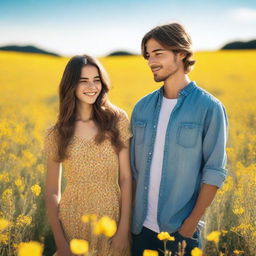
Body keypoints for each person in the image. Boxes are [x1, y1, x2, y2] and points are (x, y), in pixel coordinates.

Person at [130, 23, 228, 256]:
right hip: (139, 231)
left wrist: (188, 228)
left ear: (181, 53)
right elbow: (132, 171)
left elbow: (214, 172)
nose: (151, 62)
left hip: (180, 234)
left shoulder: (209, 108)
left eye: (158, 54)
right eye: (148, 56)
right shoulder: (141, 108)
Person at [44, 55, 132, 256]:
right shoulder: (56, 133)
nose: (92, 86)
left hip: (112, 219)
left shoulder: (117, 120)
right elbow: (51, 192)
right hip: (72, 221)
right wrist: (61, 244)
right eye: (83, 81)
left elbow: (126, 179)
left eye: (96, 79)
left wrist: (123, 230)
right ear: (71, 85)